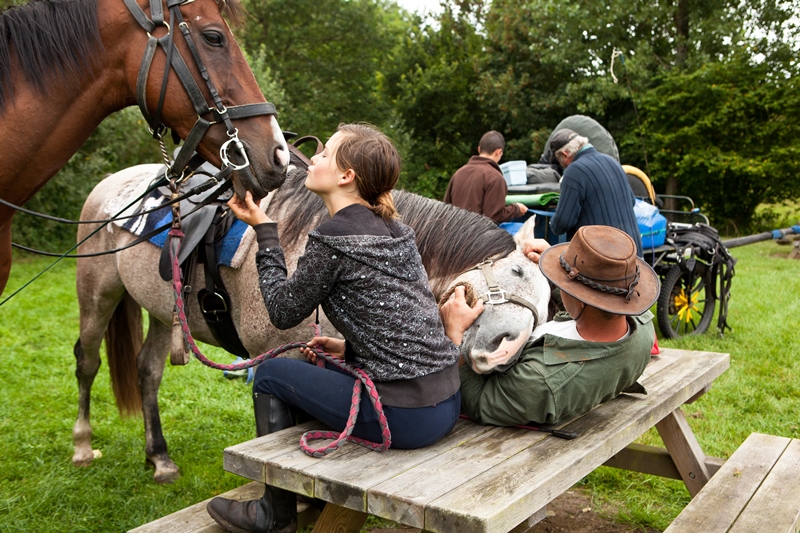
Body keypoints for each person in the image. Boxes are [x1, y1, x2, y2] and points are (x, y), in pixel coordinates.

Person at [207, 123, 461, 533]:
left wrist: (266, 232)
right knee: (310, 371)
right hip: (445, 404)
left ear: (347, 177)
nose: (314, 157)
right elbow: (400, 320)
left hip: (404, 418)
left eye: (325, 153)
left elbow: (283, 311)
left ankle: (275, 514)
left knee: (271, 374)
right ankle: (301, 489)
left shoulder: (333, 238)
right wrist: (351, 351)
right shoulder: (399, 230)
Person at [440, 225, 659, 427]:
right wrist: (557, 267)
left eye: (562, 281)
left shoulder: (540, 381)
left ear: (582, 299)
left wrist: (454, 336)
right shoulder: (641, 324)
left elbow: (480, 401)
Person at [548, 129, 644, 257]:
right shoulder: (613, 162)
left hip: (604, 261)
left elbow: (562, 223)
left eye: (559, 161)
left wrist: (551, 223)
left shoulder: (574, 171)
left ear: (565, 154)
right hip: (634, 254)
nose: (562, 166)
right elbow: (631, 201)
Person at [444, 130, 528, 224]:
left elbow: (446, 209)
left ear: (479, 149)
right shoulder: (495, 177)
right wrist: (516, 209)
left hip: (454, 236)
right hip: (476, 237)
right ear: (498, 152)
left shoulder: (458, 173)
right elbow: (493, 217)